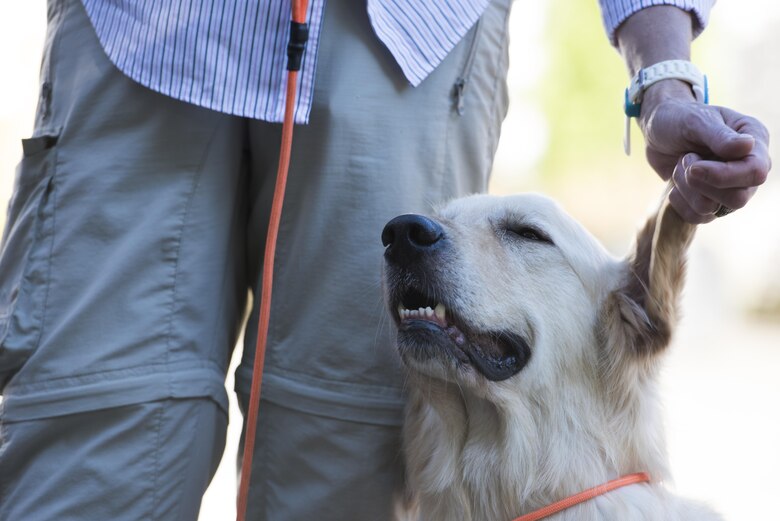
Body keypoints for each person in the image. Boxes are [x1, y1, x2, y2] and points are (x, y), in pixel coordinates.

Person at [0, 0, 769, 520]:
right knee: (89, 441)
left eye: (522, 238)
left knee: (341, 457)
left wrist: (663, 75)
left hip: (409, 34)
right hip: (136, 29)